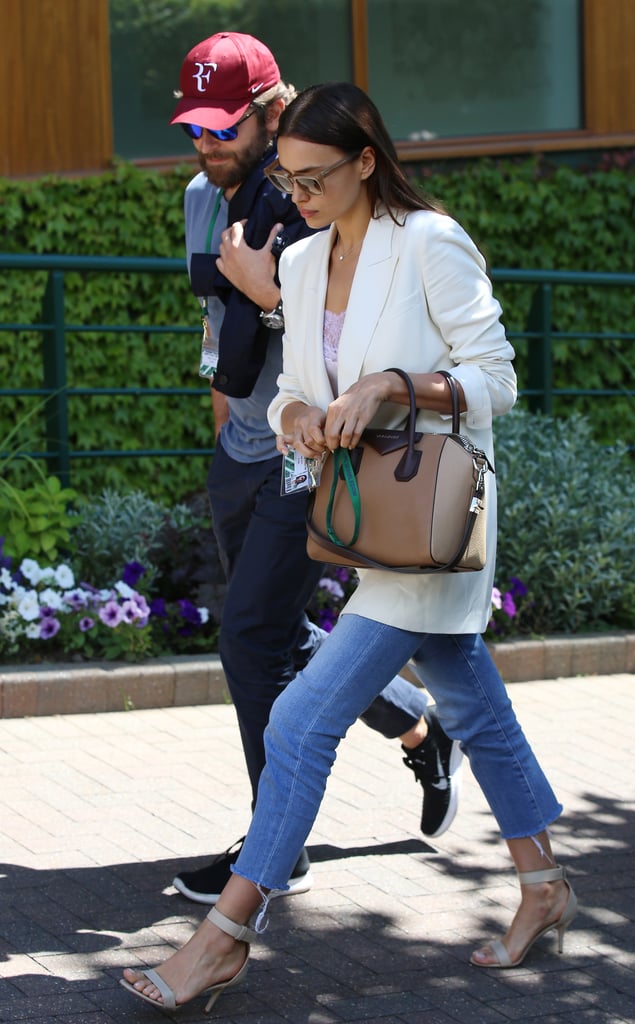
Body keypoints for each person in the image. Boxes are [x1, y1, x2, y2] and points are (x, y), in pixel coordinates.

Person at [121, 81, 577, 1011]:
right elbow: (291, 386)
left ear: (366, 160)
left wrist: (392, 386)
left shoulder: (430, 243)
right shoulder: (298, 260)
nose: (297, 195)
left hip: (429, 522)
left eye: (315, 177)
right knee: (474, 709)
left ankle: (226, 936)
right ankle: (544, 885)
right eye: (287, 179)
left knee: (297, 721)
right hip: (362, 518)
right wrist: (299, 418)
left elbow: (497, 379)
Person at [167, 33, 464, 906]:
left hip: (314, 455)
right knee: (275, 634)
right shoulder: (200, 195)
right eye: (195, 129)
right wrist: (223, 408)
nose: (208, 146)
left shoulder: (317, 199)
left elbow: (346, 338)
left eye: (224, 129)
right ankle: (417, 726)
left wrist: (267, 295)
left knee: (250, 636)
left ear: (269, 108)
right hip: (243, 450)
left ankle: (273, 845)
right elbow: (216, 322)